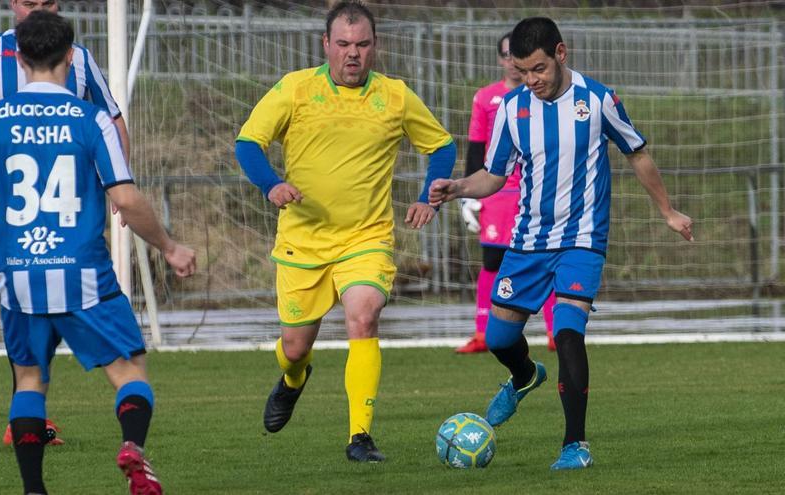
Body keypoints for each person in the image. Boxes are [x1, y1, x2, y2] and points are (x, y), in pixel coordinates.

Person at [429, 17, 693, 470]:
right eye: (522, 71)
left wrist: (668, 211)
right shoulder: (513, 109)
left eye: (538, 69)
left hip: (583, 238)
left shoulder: (598, 99)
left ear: (561, 54)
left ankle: (575, 445)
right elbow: (494, 175)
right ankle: (524, 375)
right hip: (529, 240)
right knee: (499, 338)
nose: (531, 80)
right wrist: (457, 187)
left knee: (568, 333)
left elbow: (638, 153)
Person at [0, 11, 195, 494]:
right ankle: (132, 448)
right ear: (70, 55)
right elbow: (125, 197)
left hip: (19, 273)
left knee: (29, 381)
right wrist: (168, 246)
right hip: (83, 270)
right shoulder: (91, 119)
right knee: (129, 370)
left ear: (19, 58)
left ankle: (34, 490)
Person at [234, 0, 455, 462]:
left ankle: (360, 437)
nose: (352, 54)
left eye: (362, 44)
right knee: (295, 348)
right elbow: (248, 142)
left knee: (364, 316)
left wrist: (426, 196)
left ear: (375, 47)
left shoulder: (395, 96)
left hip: (366, 239)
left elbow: (441, 146)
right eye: (343, 44)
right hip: (304, 240)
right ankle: (294, 379)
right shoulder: (296, 89)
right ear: (325, 45)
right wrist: (271, 184)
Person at [0, 0, 129, 446]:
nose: (37, 8)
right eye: (29, 1)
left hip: (65, 206)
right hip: (3, 206)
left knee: (37, 300)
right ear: (12, 4)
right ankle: (38, 412)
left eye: (48, 2)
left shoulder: (79, 58)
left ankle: (30, 416)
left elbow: (111, 116)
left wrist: (119, 180)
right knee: (31, 301)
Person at [456, 32, 556, 354]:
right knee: (493, 261)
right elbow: (476, 147)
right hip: (496, 193)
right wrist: (471, 196)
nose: (513, 62)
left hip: (534, 192)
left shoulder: (545, 96)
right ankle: (483, 332)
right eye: (507, 55)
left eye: (518, 54)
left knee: (548, 258)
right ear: (501, 59)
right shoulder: (485, 98)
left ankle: (557, 331)